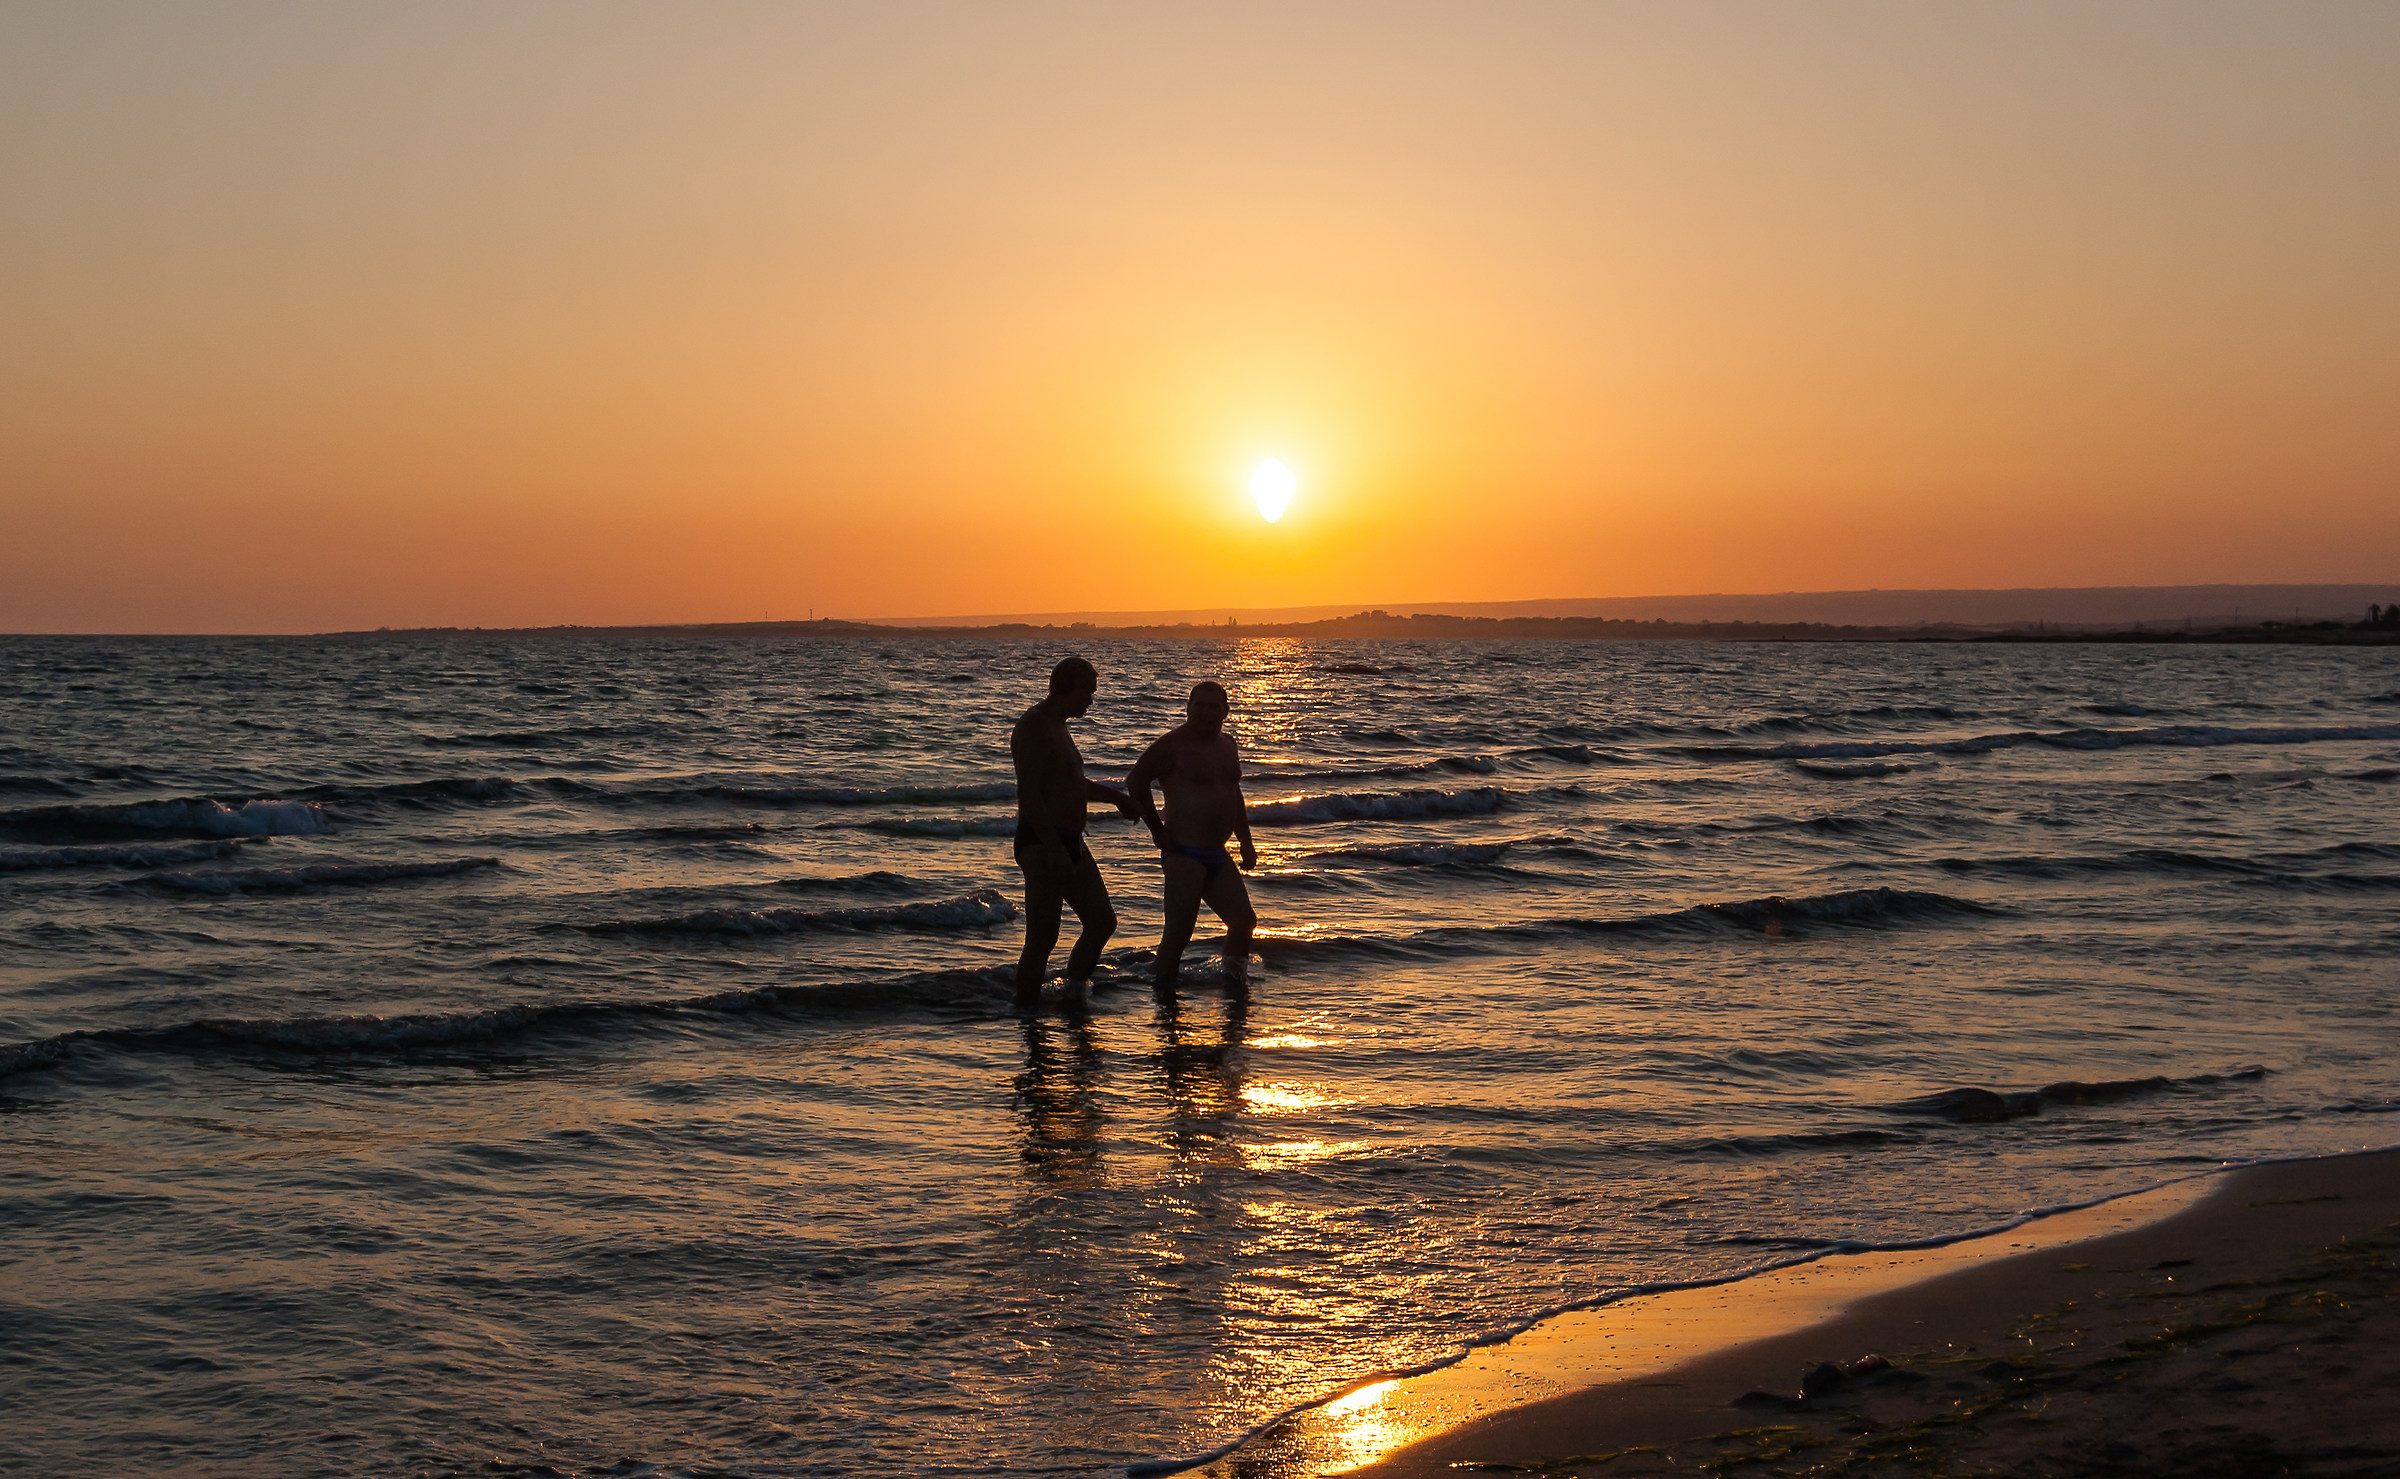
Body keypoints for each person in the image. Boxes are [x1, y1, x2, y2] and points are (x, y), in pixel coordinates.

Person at [1010, 656, 1133, 1007]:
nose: (1091, 701)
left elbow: (1071, 784)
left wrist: (1116, 798)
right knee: (1043, 938)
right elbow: (1029, 793)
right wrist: (1053, 848)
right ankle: (1026, 1012)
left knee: (1102, 922)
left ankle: (1073, 994)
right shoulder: (1035, 726)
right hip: (1042, 841)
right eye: (1088, 692)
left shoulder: (1060, 727)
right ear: (1069, 688)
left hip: (1070, 840)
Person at [1125, 680, 1257, 992]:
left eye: (1214, 706)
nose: (1207, 712)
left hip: (1218, 853)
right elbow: (1136, 780)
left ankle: (1233, 986)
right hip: (1184, 852)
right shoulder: (1172, 745)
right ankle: (1164, 999)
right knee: (1179, 934)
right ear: (1188, 707)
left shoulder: (1228, 745)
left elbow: (1233, 793)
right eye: (1200, 705)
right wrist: (1157, 830)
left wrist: (1246, 840)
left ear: (1226, 710)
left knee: (1243, 922)